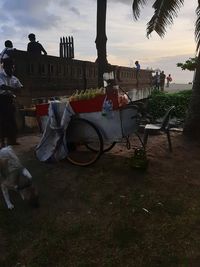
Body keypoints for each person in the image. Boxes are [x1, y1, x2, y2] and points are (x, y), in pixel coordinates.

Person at [0, 58, 23, 147]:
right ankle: (2, 142)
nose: (12, 69)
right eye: (10, 68)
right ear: (5, 67)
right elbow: (2, 86)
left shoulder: (14, 78)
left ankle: (12, 140)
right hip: (2, 100)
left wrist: (16, 90)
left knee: (12, 121)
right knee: (2, 121)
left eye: (13, 68)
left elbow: (20, 88)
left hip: (10, 101)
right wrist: (13, 89)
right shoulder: (1, 76)